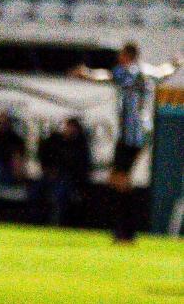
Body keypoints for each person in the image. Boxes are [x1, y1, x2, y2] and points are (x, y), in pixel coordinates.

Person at [72, 42, 181, 242]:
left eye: (121, 55)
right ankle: (125, 230)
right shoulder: (147, 71)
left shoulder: (128, 72)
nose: (119, 58)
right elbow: (164, 72)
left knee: (119, 180)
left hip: (132, 135)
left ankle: (126, 231)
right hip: (141, 134)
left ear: (128, 55)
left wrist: (86, 74)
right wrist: (175, 64)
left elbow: (106, 76)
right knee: (119, 179)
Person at [35, 117, 91, 226]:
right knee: (35, 191)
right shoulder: (55, 140)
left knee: (59, 194)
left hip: (69, 181)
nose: (69, 130)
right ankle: (34, 221)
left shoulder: (80, 146)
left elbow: (80, 169)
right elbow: (44, 154)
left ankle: (55, 223)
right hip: (49, 176)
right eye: (68, 127)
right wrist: (49, 170)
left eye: (72, 128)